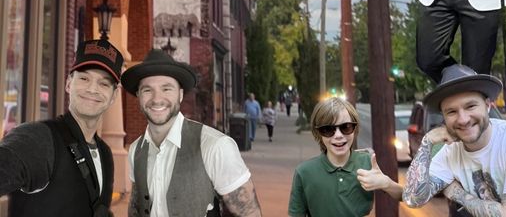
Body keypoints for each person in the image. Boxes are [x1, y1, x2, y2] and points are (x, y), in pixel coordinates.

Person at [122, 49, 262, 217]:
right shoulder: (136, 150)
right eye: (147, 90)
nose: (157, 98)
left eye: (166, 89)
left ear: (180, 94)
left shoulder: (216, 146)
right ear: (138, 95)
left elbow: (249, 213)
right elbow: (136, 209)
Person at [403, 65, 506, 217]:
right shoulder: (450, 151)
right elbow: (413, 199)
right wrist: (427, 142)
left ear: (488, 105)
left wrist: (457, 194)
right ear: (444, 117)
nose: (463, 119)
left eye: (470, 106)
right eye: (452, 112)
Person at [0, 37, 123, 216]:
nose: (92, 89)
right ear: (68, 84)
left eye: (103, 83)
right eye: (83, 78)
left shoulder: (105, 154)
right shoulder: (39, 139)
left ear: (114, 95)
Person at [288, 95, 402, 217]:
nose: (338, 135)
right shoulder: (304, 172)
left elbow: (405, 195)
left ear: (355, 128)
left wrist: (386, 183)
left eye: (346, 127)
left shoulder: (367, 162)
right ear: (318, 133)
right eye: (328, 129)